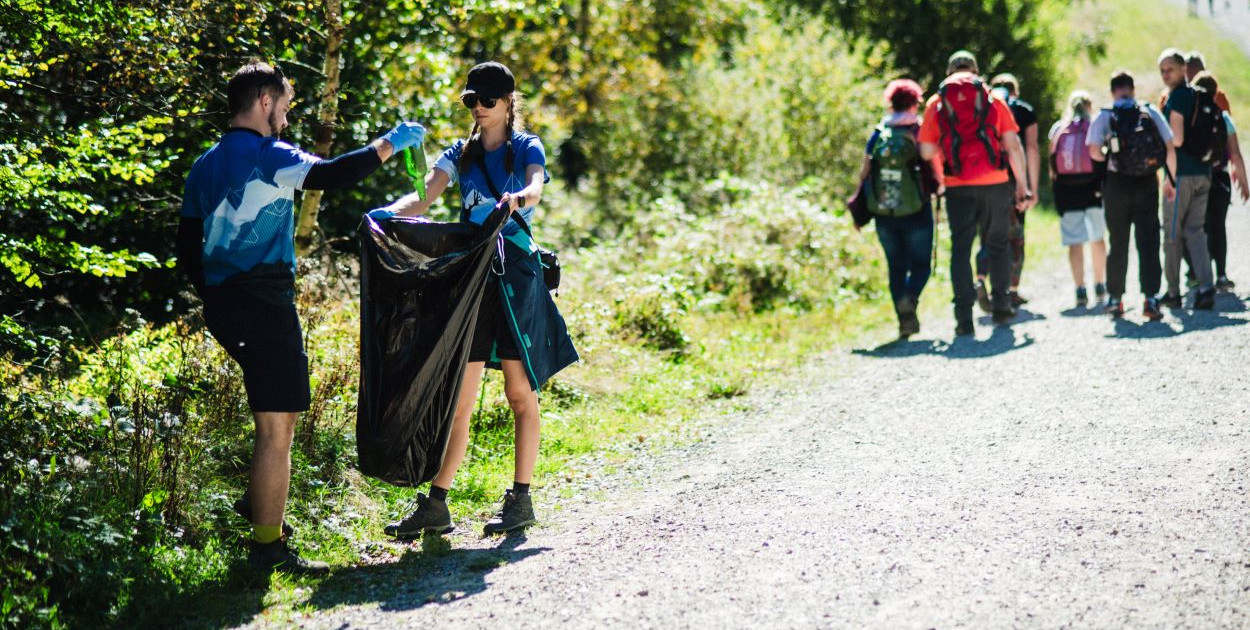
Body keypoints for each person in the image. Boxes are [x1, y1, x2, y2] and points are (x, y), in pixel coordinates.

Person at [177, 61, 425, 573]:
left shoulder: (205, 164)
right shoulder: (269, 155)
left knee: (279, 416)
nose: (286, 120)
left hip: (227, 306)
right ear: (264, 101)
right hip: (264, 304)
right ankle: (268, 550)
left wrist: (220, 293)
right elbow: (332, 175)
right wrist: (390, 143)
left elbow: (185, 253)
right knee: (276, 427)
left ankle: (260, 505)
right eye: (285, 108)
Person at [377, 61, 578, 538]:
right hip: (471, 285)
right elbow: (422, 199)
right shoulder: (458, 154)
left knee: (518, 393)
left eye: (488, 100)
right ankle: (437, 505)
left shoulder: (524, 147)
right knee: (458, 401)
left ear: (509, 102)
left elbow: (534, 186)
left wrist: (518, 199)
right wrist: (383, 216)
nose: (479, 108)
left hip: (514, 281)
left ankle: (521, 498)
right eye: (472, 100)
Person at [918, 50, 1031, 335]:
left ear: (949, 72)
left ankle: (964, 319)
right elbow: (1013, 145)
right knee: (998, 244)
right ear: (976, 71)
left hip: (957, 185)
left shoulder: (937, 103)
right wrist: (1022, 185)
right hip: (995, 181)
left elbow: (927, 149)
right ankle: (1002, 308)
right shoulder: (992, 98)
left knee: (961, 248)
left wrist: (941, 175)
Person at [851, 79, 943, 340]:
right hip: (917, 209)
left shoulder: (879, 133)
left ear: (890, 103)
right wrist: (939, 188)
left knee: (896, 267)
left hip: (883, 212)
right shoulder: (918, 130)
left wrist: (859, 208)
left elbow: (864, 174)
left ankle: (904, 321)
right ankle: (911, 300)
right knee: (921, 265)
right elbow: (933, 166)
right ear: (915, 102)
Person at [1086, 70, 1175, 320]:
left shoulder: (1105, 115)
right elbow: (1169, 143)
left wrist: (1109, 158)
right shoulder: (1148, 111)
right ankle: (1151, 299)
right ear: (1132, 89)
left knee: (1118, 242)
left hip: (1117, 184)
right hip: (1147, 183)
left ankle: (1116, 299)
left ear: (1113, 90)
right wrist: (1170, 179)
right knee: (1148, 242)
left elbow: (1093, 150)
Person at [973, 73, 1039, 311]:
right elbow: (1029, 148)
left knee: (987, 235)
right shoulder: (1023, 110)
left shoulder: (981, 106)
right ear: (1016, 91)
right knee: (1014, 239)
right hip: (1010, 182)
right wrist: (1029, 185)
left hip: (980, 180)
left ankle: (980, 277)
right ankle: (1010, 290)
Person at [1159, 48, 1216, 310]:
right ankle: (1206, 287)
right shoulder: (1197, 96)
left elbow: (1177, 139)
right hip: (1203, 173)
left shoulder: (1177, 99)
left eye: (1170, 68)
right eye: (1162, 70)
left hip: (1180, 175)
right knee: (1196, 232)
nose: (1165, 74)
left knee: (1172, 234)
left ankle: (1173, 292)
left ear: (1184, 69)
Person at [1048, 91, 1107, 307]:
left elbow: (1052, 167)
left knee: (1075, 240)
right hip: (1093, 190)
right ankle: (1100, 284)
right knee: (1097, 237)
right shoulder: (1095, 126)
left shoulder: (1058, 129)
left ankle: (1080, 288)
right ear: (1089, 106)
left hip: (1067, 191)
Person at [1191, 71, 1250, 290]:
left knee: (1199, 227)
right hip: (1220, 178)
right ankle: (1222, 275)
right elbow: (1234, 154)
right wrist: (1244, 183)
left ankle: (1200, 276)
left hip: (1197, 176)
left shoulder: (1192, 117)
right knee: (1218, 226)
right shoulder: (1223, 117)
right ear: (1216, 93)